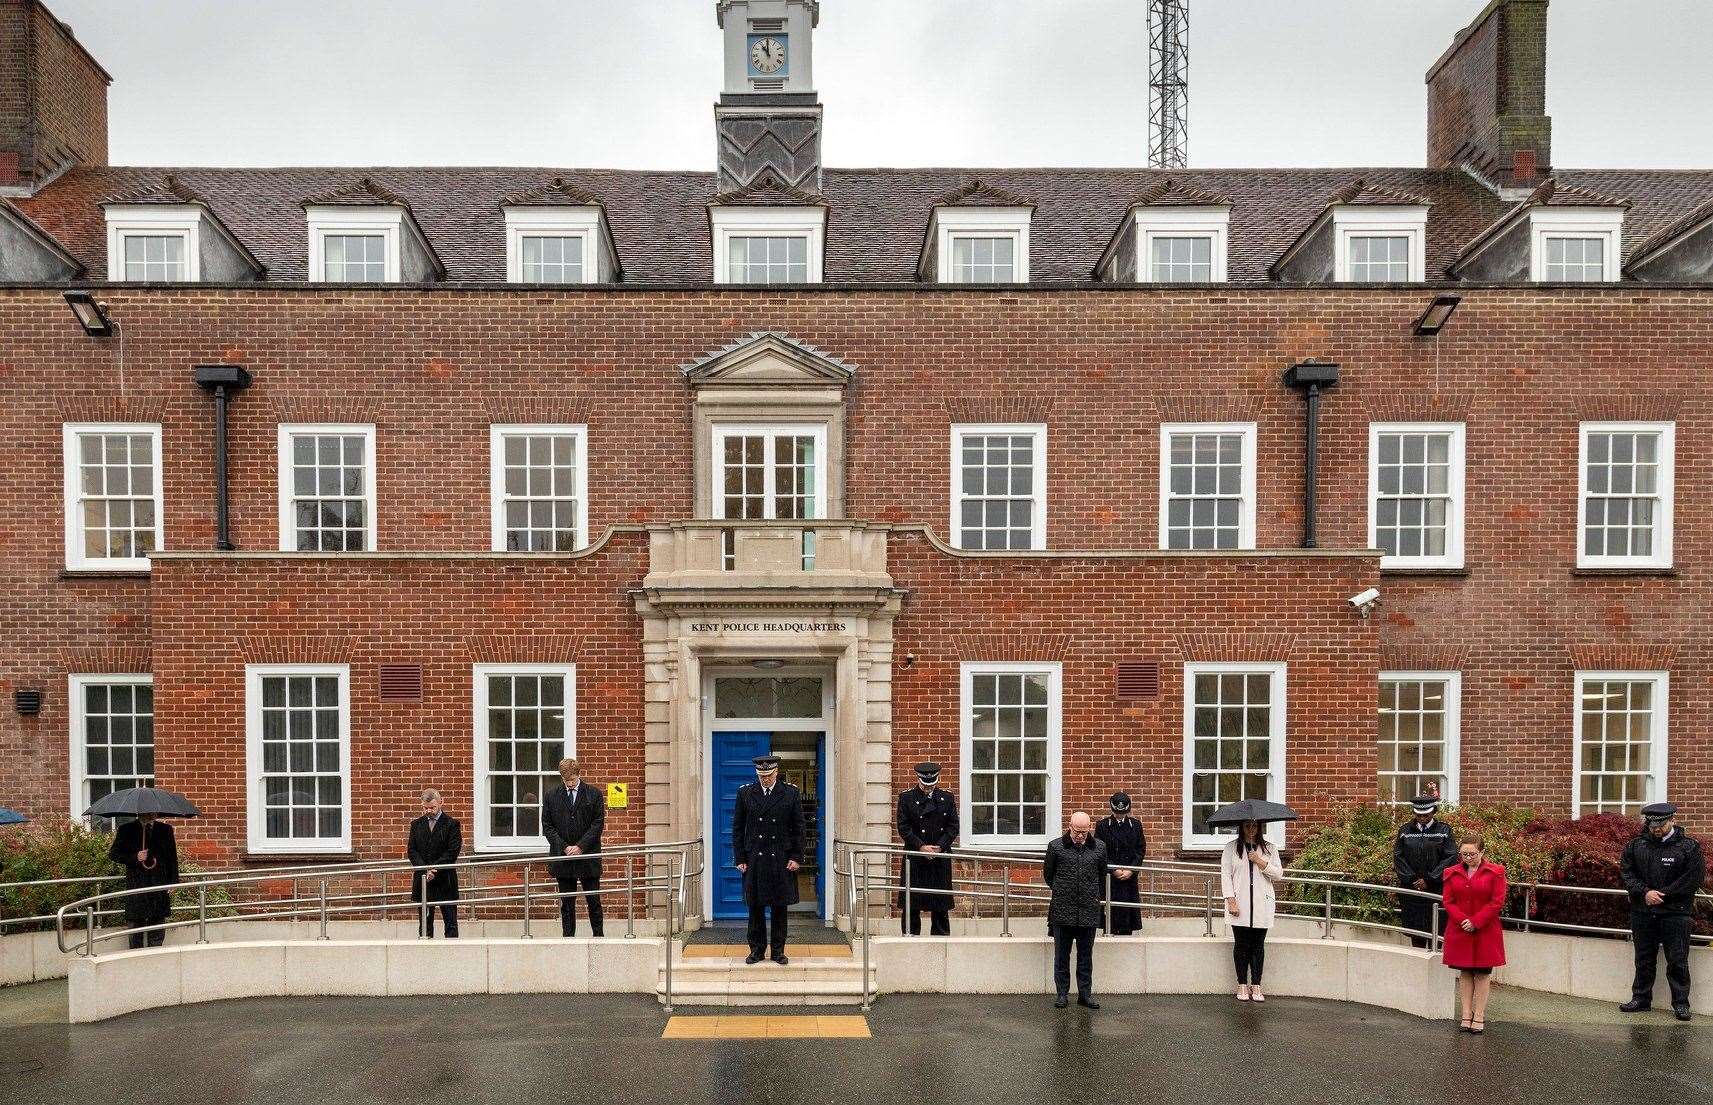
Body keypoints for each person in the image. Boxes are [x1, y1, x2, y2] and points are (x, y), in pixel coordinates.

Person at [1619, 802, 1705, 1021]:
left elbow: (1692, 879)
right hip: (1643, 911)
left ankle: (1681, 1004)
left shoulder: (1689, 847)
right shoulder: (1635, 846)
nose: (1656, 829)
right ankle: (1640, 999)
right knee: (1644, 958)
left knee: (1677, 959)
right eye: (1652, 825)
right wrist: (1646, 892)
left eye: (1661, 825)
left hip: (1676, 912)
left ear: (1672, 821)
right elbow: (1627, 874)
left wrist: (1663, 895)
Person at [732, 754, 806, 965]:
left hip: (781, 858)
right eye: (761, 776)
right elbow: (738, 828)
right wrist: (740, 857)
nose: (764, 779)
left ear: (776, 773)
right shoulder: (746, 793)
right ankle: (756, 951)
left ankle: (778, 951)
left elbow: (799, 828)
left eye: (768, 775)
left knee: (779, 908)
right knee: (755, 907)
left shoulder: (790, 793)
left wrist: (796, 856)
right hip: (755, 858)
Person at [1441, 834, 1506, 1033]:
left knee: (1483, 973)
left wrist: (1476, 921)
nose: (1468, 858)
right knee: (1465, 971)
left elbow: (1497, 901)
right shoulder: (1451, 873)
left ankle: (1479, 1015)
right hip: (1459, 929)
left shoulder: (1496, 872)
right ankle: (1466, 1014)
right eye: (1464, 854)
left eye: (1472, 854)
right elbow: (1448, 901)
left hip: (1486, 930)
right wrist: (1463, 921)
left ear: (1482, 852)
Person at [1044, 810, 1107, 1010]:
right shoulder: (1055, 847)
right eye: (1077, 831)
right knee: (1061, 956)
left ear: (1090, 828)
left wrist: (1092, 895)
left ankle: (1085, 994)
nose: (1080, 835)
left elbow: (1101, 874)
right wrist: (1063, 889)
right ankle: (1062, 994)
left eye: (1084, 831)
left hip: (1088, 909)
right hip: (1062, 909)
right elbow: (1048, 875)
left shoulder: (1099, 847)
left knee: (1085, 956)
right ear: (1069, 826)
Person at [542, 757, 605, 937]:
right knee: (567, 904)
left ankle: (598, 937)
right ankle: (568, 939)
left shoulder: (594, 794)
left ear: (579, 774)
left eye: (572, 780)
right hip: (564, 859)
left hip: (588, 857)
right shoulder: (551, 796)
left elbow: (597, 824)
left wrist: (580, 847)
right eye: (565, 780)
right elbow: (547, 826)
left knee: (594, 901)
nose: (569, 784)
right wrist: (564, 847)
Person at [1221, 819, 1282, 1002]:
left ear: (1260, 827)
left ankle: (1256, 985)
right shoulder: (1231, 848)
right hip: (1239, 905)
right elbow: (1226, 875)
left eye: (1254, 826)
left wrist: (1259, 861)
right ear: (1241, 827)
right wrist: (1231, 901)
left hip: (1262, 904)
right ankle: (1241, 984)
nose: (1251, 829)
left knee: (1258, 945)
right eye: (1247, 826)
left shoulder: (1270, 848)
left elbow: (1278, 874)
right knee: (1241, 945)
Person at [896, 761, 958, 936]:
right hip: (915, 858)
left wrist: (939, 847)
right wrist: (921, 847)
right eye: (924, 785)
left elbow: (953, 827)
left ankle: (940, 940)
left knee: (940, 907)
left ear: (937, 780)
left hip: (939, 858)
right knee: (911, 905)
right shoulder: (907, 798)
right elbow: (903, 827)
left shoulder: (947, 798)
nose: (928, 788)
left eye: (931, 785)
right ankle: (909, 937)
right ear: (918, 779)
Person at [1393, 794, 1457, 948]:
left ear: (1433, 811)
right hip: (1411, 890)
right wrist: (1412, 879)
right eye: (1418, 814)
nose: (1422, 818)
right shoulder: (1405, 831)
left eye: (1426, 814)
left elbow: (1450, 856)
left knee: (1437, 930)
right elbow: (1398, 856)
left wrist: (1430, 879)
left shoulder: (1444, 830)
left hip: (1436, 889)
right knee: (1416, 932)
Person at [107, 813, 179, 949]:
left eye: (154, 811)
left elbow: (172, 858)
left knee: (158, 921)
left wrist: (173, 881)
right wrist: (135, 857)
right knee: (136, 922)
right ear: (140, 812)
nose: (153, 813)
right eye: (149, 811)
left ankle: (155, 954)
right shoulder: (126, 829)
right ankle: (136, 955)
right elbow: (114, 854)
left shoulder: (165, 829)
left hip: (159, 882)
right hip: (137, 883)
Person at [407, 788, 462, 938]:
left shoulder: (452, 824)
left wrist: (434, 870)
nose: (429, 811)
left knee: (450, 924)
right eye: (426, 808)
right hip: (424, 881)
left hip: (445, 880)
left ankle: (452, 954)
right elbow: (412, 851)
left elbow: (452, 852)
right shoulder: (416, 825)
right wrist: (425, 871)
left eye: (432, 807)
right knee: (425, 925)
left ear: (440, 803)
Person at [1094, 792, 1146, 935]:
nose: (1119, 816)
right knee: (1111, 912)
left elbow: (1140, 850)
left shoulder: (1135, 825)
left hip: (1129, 876)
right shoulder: (1102, 826)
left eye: (1122, 813)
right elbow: (1099, 851)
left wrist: (1131, 870)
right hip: (1111, 876)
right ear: (1112, 809)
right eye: (1117, 812)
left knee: (1126, 914)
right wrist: (1113, 869)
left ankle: (1126, 932)